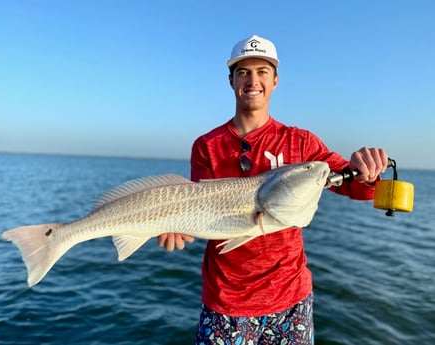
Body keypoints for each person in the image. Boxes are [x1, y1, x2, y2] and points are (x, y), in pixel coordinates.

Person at [158, 34, 388, 345]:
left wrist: (368, 173)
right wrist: (176, 228)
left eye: (262, 71)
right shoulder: (207, 146)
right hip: (226, 302)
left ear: (276, 80)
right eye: (243, 72)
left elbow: (356, 188)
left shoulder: (302, 143)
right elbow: (197, 208)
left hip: (291, 300)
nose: (253, 81)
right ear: (231, 81)